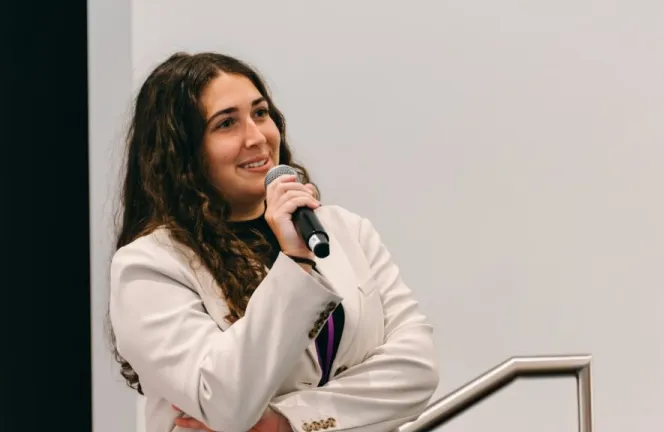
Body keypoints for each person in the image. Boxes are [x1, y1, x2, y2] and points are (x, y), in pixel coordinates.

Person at [107, 52, 439, 432]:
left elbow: (417, 369)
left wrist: (288, 421)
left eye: (260, 113)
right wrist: (295, 261)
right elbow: (227, 401)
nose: (257, 137)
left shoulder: (346, 230)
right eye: (227, 123)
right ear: (182, 151)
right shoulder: (150, 266)